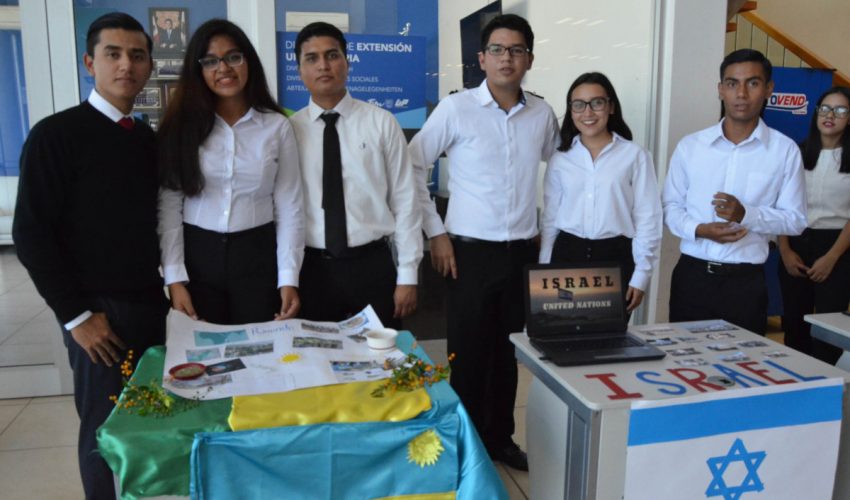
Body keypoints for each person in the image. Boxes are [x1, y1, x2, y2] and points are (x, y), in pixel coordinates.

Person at [12, 13, 167, 499]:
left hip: (150, 305)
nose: (126, 65)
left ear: (149, 66)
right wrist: (77, 317)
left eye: (137, 56)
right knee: (106, 432)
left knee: (149, 425)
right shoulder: (56, 135)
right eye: (113, 54)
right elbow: (31, 233)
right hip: (98, 316)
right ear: (89, 62)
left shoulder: (144, 139)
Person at [409, 14, 558, 471]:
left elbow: (563, 171)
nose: (506, 58)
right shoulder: (457, 109)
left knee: (508, 354)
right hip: (468, 254)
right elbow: (413, 165)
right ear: (481, 58)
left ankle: (500, 439)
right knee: (469, 355)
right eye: (497, 49)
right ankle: (466, 446)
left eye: (516, 50)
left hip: (521, 253)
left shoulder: (541, 114)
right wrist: (436, 232)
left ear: (529, 58)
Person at [158, 19, 304, 325]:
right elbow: (170, 206)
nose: (223, 68)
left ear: (248, 61)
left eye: (233, 57)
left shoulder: (276, 126)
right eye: (210, 61)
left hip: (258, 255)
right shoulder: (181, 127)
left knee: (260, 347)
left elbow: (290, 206)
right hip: (198, 257)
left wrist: (288, 277)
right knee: (204, 349)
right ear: (198, 70)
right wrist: (175, 278)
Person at [662, 48, 807, 335]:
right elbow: (670, 207)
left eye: (752, 83)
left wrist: (746, 215)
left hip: (746, 283)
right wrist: (700, 230)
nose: (741, 93)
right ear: (720, 90)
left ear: (768, 89)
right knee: (685, 357)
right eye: (732, 83)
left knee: (744, 361)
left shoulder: (784, 151)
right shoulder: (691, 147)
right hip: (693, 277)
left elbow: (796, 220)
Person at [290, 22, 421, 328]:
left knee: (383, 354)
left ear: (347, 63)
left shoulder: (382, 122)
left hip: (372, 266)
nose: (323, 65)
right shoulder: (289, 131)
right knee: (317, 355)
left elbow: (405, 201)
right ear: (300, 71)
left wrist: (408, 275)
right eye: (311, 58)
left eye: (332, 55)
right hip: (312, 270)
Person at [539, 72, 662, 312]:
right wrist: (544, 268)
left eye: (596, 103)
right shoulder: (560, 159)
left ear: (611, 107)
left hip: (615, 258)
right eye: (579, 105)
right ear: (571, 110)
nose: (588, 112)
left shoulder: (635, 156)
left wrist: (642, 275)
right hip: (567, 256)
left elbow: (648, 217)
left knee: (609, 332)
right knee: (563, 331)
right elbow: (550, 218)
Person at [778, 86, 850, 363]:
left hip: (838, 246)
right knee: (794, 325)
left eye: (840, 110)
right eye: (825, 109)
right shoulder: (796, 153)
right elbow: (781, 206)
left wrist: (831, 258)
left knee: (828, 329)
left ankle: (826, 382)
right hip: (795, 240)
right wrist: (785, 251)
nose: (830, 116)